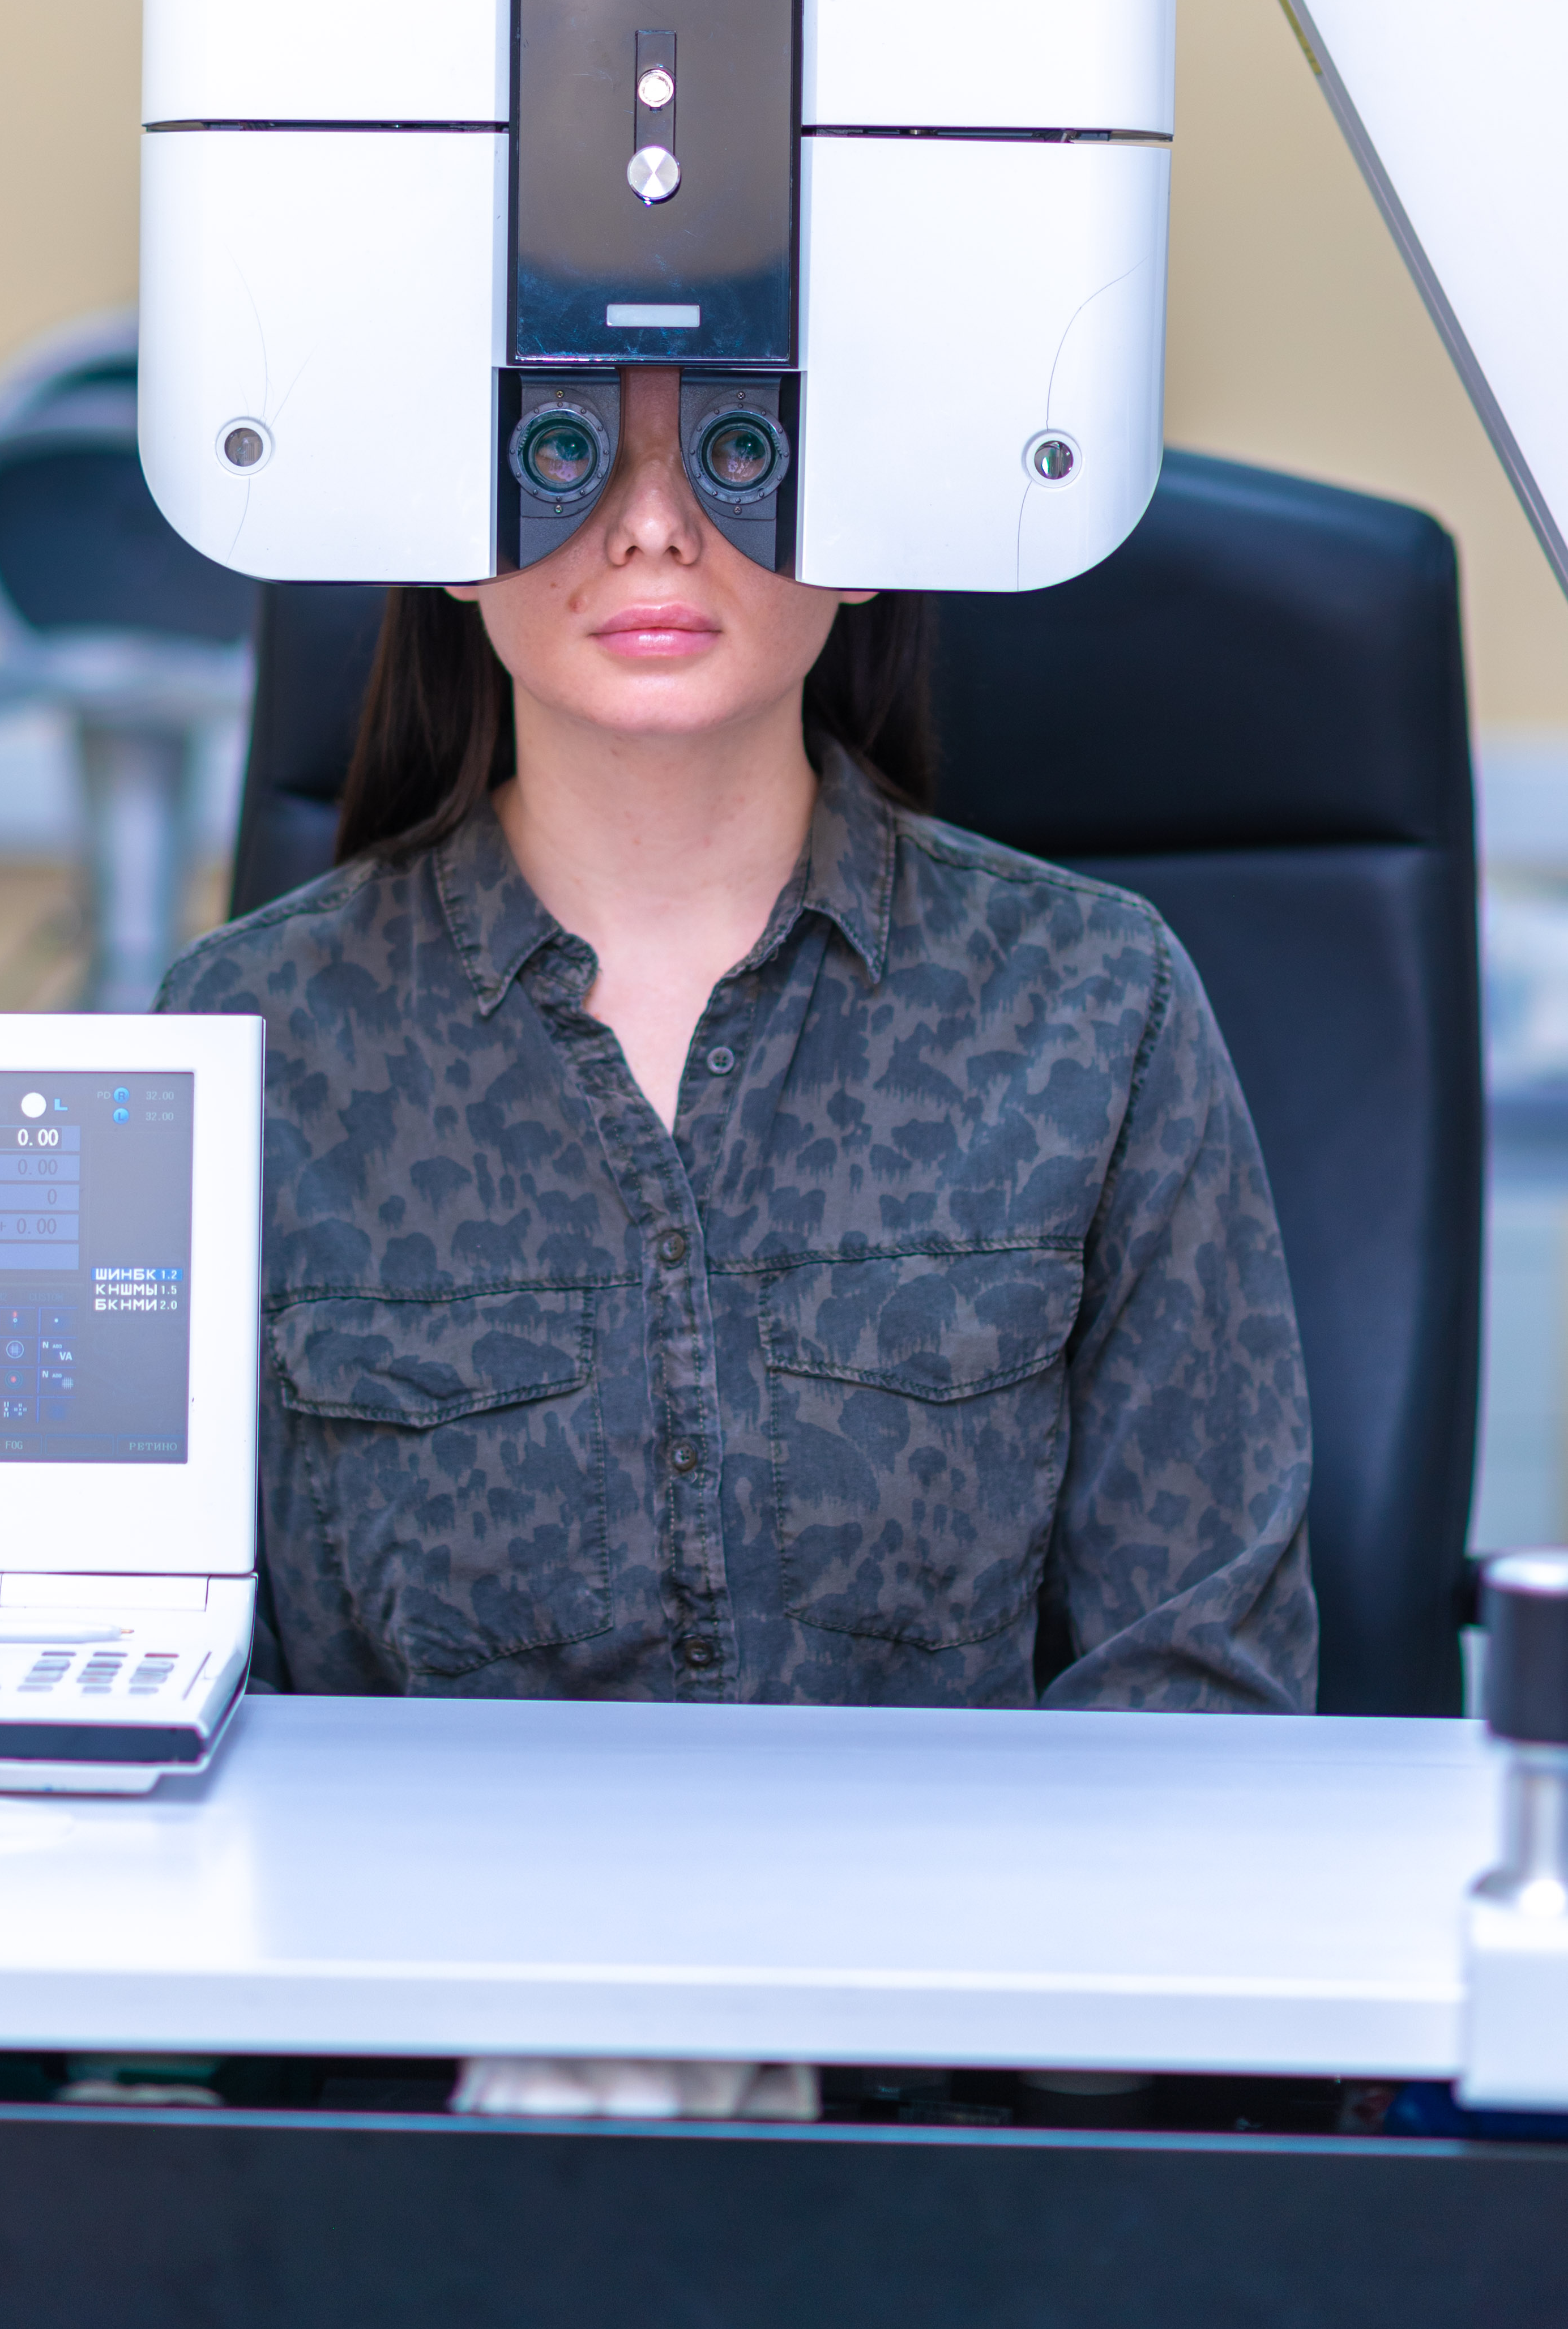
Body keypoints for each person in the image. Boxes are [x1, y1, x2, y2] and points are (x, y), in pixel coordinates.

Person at [158, 368, 1316, 1714]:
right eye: (562, 451)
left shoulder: (1097, 1002)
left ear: (861, 528)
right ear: (455, 538)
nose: (653, 525)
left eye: (740, 448)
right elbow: (175, 1679)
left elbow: (1200, 1693)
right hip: (405, 1869)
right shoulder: (255, 1039)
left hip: (953, 1867)